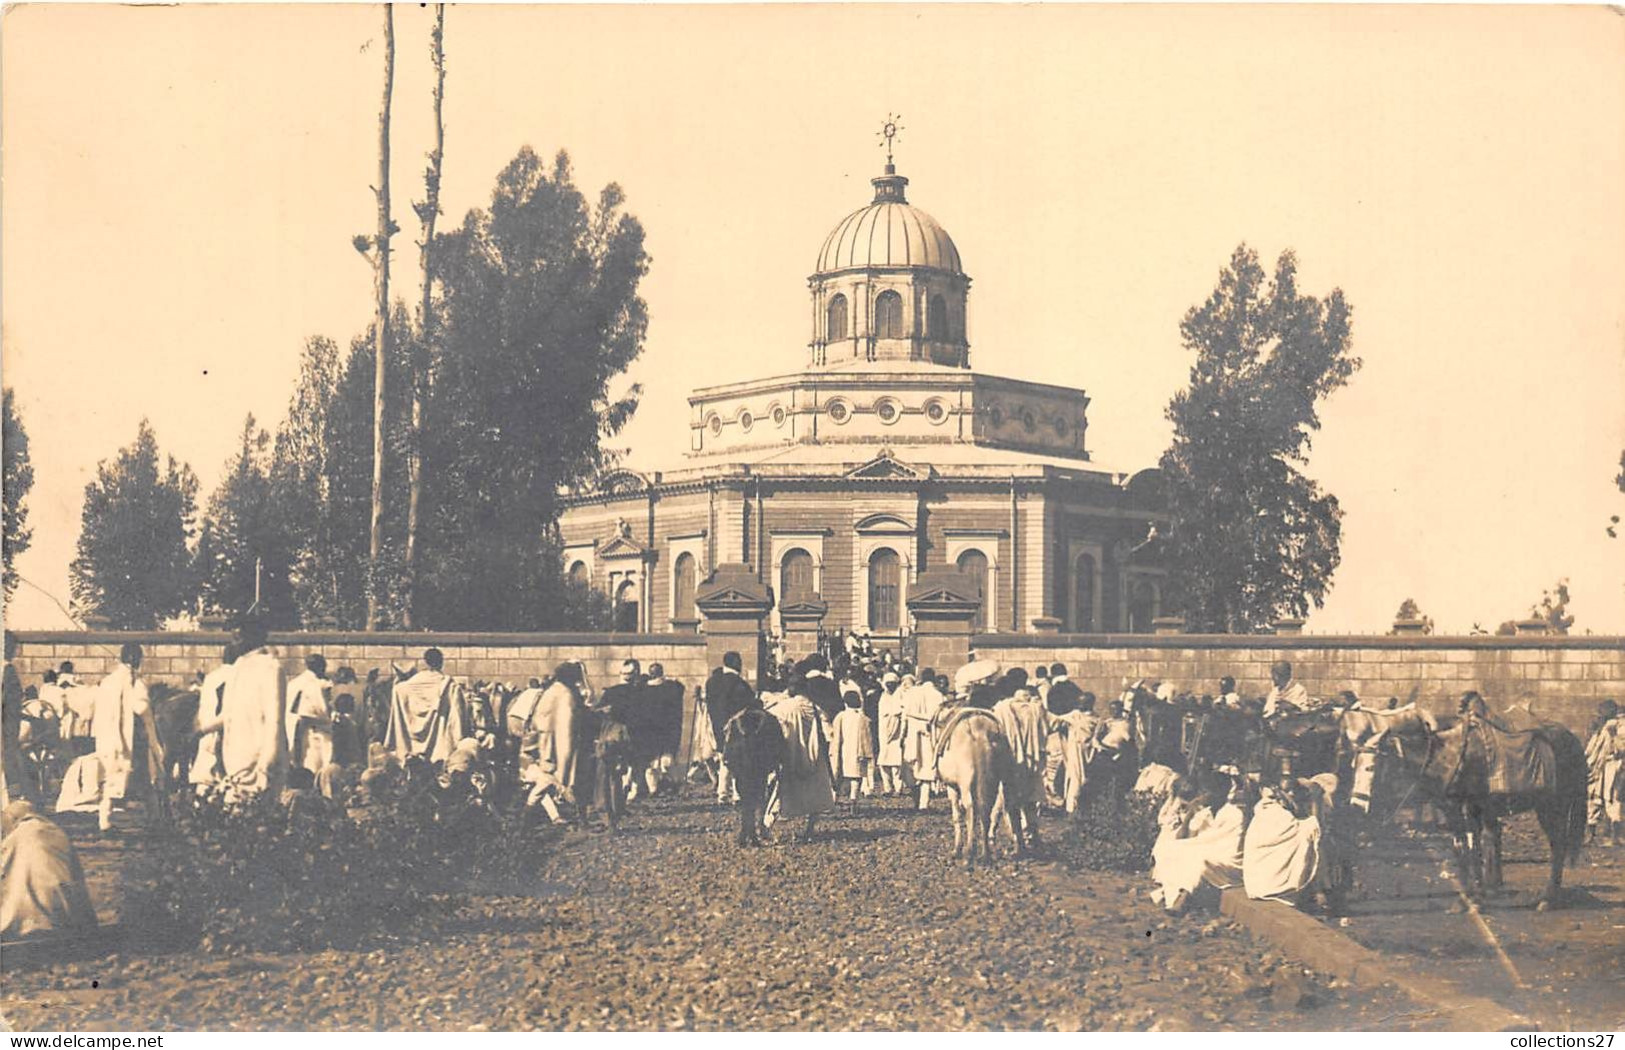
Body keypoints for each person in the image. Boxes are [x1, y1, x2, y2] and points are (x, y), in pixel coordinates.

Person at [84, 644, 163, 831]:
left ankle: (105, 820)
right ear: (136, 659)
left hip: (109, 740)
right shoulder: (135, 682)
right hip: (132, 739)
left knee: (111, 780)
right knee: (146, 778)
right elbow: (140, 708)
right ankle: (156, 818)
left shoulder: (107, 681)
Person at [1150, 773, 1250, 913]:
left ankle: (1181, 900)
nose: (1204, 795)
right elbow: (1182, 839)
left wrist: (1199, 848)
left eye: (1207, 791)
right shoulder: (1205, 813)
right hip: (1205, 851)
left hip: (1227, 860)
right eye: (1203, 791)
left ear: (1219, 793)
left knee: (1196, 859)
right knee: (1169, 848)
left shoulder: (1234, 814)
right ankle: (1171, 895)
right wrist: (1189, 814)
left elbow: (1227, 845)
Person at [0, 800, 99, 941]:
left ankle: (26, 924)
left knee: (16, 886)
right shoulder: (57, 831)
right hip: (65, 905)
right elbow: (77, 873)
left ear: (14, 817)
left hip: (29, 907)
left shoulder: (18, 835)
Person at [219, 619, 288, 800]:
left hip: (260, 759)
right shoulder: (237, 667)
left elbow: (275, 717)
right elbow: (229, 714)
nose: (234, 643)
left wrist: (268, 759)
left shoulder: (270, 667)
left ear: (253, 638)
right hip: (235, 756)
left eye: (238, 638)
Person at [1242, 775, 1336, 906]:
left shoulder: (1271, 807)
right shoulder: (1274, 811)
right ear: (1278, 792)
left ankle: (1319, 890)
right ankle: (1317, 890)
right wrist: (1316, 801)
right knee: (1309, 841)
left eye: (1294, 791)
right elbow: (1312, 829)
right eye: (1287, 791)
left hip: (1261, 881)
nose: (1292, 794)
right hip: (1269, 885)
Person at [762, 675, 836, 841]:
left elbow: (769, 718)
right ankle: (810, 829)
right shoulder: (815, 708)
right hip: (814, 756)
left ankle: (766, 825)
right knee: (816, 791)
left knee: (781, 791)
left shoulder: (785, 707)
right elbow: (828, 731)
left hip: (791, 754)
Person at [514, 662, 587, 822]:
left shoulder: (549, 692)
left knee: (544, 783)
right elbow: (565, 731)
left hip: (542, 747)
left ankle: (526, 813)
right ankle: (526, 813)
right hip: (556, 749)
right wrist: (565, 766)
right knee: (555, 783)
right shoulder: (566, 696)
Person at [384, 648, 467, 765]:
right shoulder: (451, 687)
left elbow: (398, 693)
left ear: (425, 662)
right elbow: (458, 720)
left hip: (410, 750)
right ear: (441, 662)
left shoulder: (402, 689)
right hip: (440, 751)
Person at [994, 685, 1051, 843]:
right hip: (1032, 762)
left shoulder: (1001, 708)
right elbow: (1046, 732)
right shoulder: (1036, 710)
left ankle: (1017, 838)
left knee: (1011, 800)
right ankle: (1033, 835)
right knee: (1031, 800)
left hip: (1010, 762)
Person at [704, 652, 759, 805]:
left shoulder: (711, 682)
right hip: (736, 728)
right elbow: (750, 704)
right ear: (735, 662)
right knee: (738, 761)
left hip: (716, 726)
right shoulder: (739, 683)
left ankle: (722, 794)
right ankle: (736, 794)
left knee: (724, 759)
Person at [190, 643, 238, 792]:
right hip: (230, 735)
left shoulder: (211, 677)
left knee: (205, 779)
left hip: (207, 732)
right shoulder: (239, 676)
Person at [901, 667, 948, 810]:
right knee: (927, 766)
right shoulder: (937, 695)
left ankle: (916, 797)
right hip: (929, 733)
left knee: (912, 764)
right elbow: (939, 717)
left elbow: (905, 714)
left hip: (912, 732)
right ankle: (923, 802)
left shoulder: (911, 693)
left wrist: (903, 734)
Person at [640, 663, 685, 797]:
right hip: (666, 729)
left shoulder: (643, 689)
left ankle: (655, 787)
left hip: (651, 730)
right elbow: (680, 689)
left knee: (653, 761)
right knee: (666, 760)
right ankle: (673, 783)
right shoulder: (671, 686)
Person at [286, 654, 334, 778]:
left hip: (292, 728)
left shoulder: (293, 683)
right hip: (312, 733)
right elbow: (314, 712)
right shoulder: (313, 685)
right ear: (320, 667)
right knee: (315, 768)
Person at [1584, 699, 1622, 846]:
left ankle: (1615, 836)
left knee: (1612, 799)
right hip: (1597, 768)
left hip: (1613, 767)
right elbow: (1590, 750)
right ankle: (1591, 835)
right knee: (1593, 799)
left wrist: (1614, 736)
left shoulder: (1618, 727)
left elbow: (1621, 748)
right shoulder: (1599, 729)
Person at [829, 689, 874, 807]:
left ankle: (834, 799)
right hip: (857, 751)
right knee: (856, 776)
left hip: (843, 751)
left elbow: (835, 735)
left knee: (838, 775)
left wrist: (834, 750)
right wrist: (868, 753)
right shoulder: (863, 718)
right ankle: (853, 798)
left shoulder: (841, 716)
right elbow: (867, 738)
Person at [876, 672, 911, 797]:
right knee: (883, 762)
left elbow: (903, 713)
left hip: (897, 733)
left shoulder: (901, 696)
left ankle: (898, 787)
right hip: (884, 732)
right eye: (888, 683)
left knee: (897, 763)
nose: (890, 686)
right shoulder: (883, 696)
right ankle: (887, 787)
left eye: (892, 683)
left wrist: (901, 732)